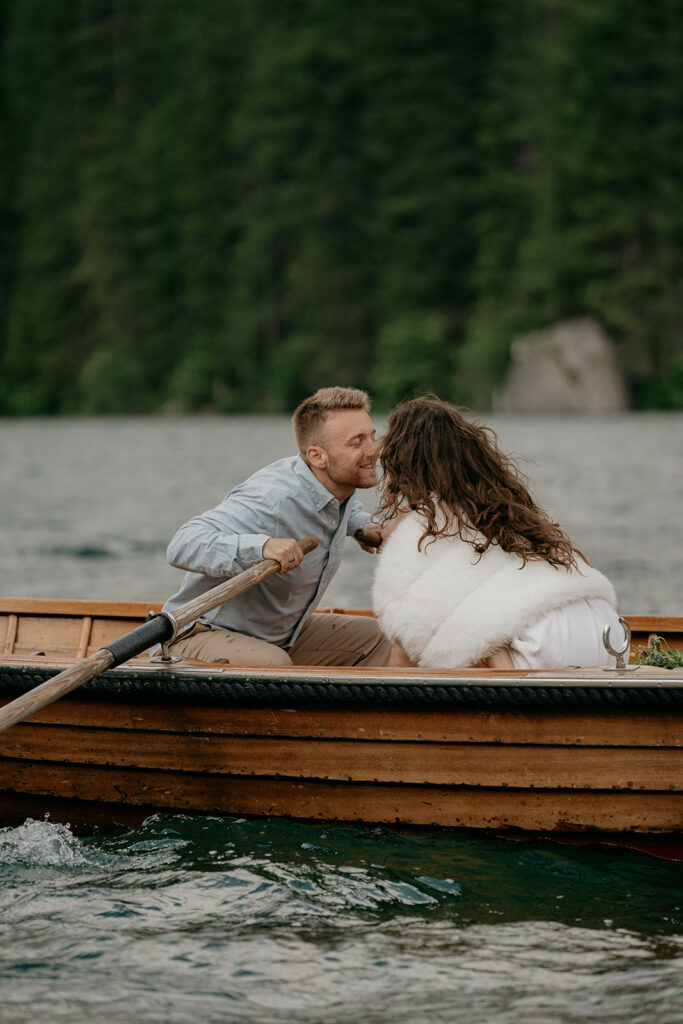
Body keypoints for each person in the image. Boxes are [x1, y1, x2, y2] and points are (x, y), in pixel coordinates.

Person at [372, 397, 626, 670]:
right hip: (604, 633)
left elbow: (410, 629)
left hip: (541, 650)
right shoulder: (501, 506)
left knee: (420, 640)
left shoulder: (424, 526)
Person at [160, 386, 391, 667]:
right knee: (274, 664)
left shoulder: (333, 489)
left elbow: (346, 509)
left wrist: (360, 527)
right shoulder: (271, 499)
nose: (374, 450)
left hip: (282, 637)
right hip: (197, 634)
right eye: (357, 443)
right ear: (317, 456)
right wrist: (263, 547)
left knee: (384, 638)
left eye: (372, 437)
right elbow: (183, 544)